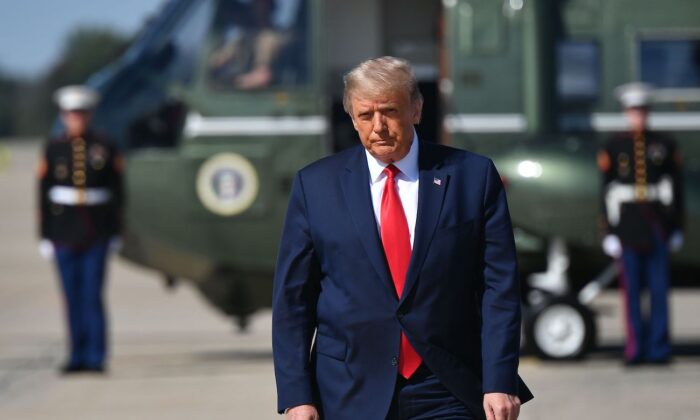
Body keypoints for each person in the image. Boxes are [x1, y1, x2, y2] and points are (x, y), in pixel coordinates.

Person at [272, 57, 532, 420]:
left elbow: (499, 288)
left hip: (447, 385)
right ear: (352, 118)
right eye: (365, 115)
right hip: (348, 389)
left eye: (390, 111)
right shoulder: (315, 186)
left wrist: (500, 379)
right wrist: (297, 394)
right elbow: (293, 300)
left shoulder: (471, 177)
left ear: (416, 110)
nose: (378, 127)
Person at [37, 85, 124, 374]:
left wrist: (116, 232)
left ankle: (96, 356)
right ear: (64, 116)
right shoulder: (54, 148)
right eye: (72, 113)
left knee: (92, 295)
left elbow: (118, 193)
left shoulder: (105, 146)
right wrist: (45, 235)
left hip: (96, 232)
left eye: (82, 113)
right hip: (63, 232)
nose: (77, 118)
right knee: (71, 297)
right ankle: (76, 355)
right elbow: (44, 194)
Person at [598, 82, 685, 365]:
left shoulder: (664, 144)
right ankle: (635, 349)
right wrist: (608, 232)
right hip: (627, 227)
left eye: (643, 111)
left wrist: (677, 227)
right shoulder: (614, 145)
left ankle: (659, 349)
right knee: (631, 293)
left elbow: (677, 187)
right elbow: (605, 190)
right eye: (634, 111)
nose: (639, 116)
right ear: (626, 112)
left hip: (657, 225)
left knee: (659, 291)